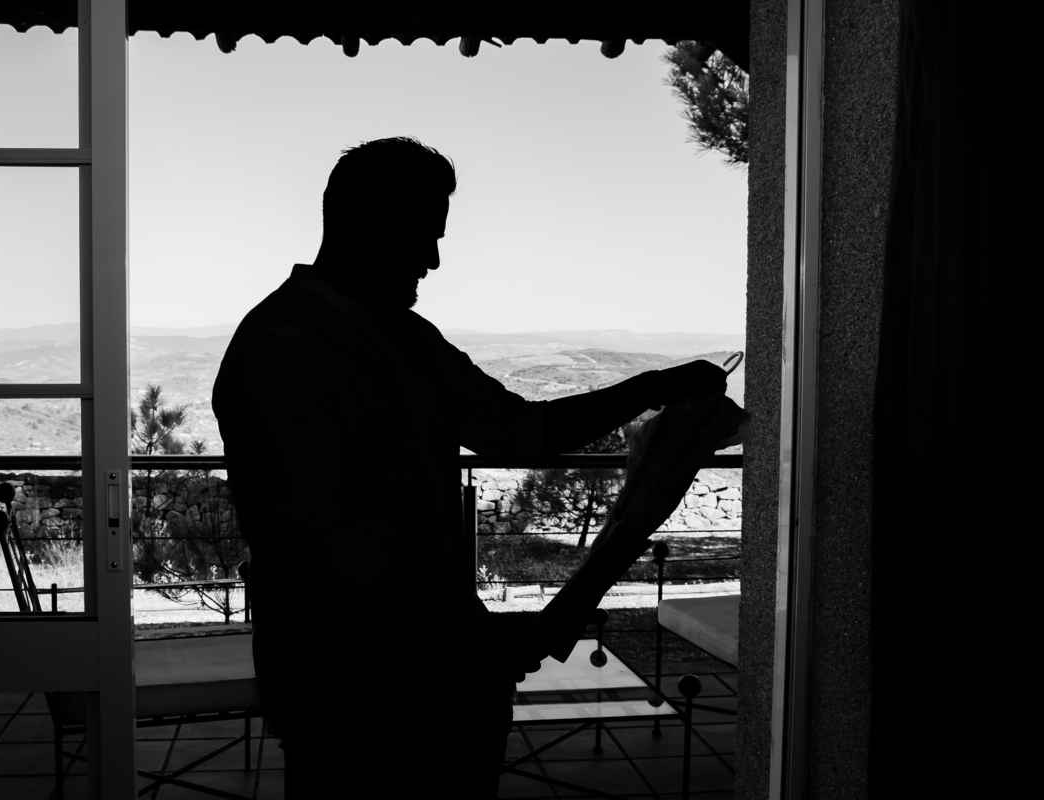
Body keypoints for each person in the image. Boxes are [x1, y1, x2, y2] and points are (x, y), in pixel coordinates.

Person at [212, 136, 725, 798]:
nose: (432, 260)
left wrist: (652, 387)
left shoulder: (407, 337)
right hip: (351, 707)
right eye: (423, 234)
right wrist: (477, 641)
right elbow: (329, 557)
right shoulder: (282, 348)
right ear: (363, 218)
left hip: (452, 689)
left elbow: (522, 432)